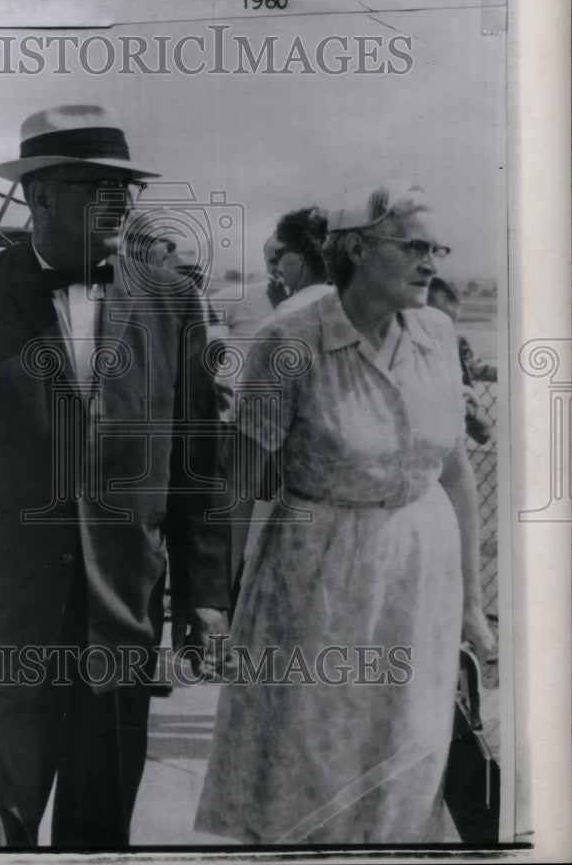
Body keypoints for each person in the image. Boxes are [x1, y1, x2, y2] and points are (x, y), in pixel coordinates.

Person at [0, 104, 231, 847]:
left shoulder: (172, 301)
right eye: (94, 188)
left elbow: (195, 466)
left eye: (126, 190)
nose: (119, 205)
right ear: (41, 195)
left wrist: (204, 597)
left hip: (120, 618)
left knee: (101, 829)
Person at [195, 181, 496, 844]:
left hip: (421, 585)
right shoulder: (289, 341)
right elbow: (239, 485)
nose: (430, 262)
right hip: (315, 591)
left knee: (408, 766)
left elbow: (451, 474)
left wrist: (472, 603)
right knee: (313, 773)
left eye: (434, 247)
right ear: (355, 249)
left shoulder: (438, 334)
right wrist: (213, 605)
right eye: (413, 245)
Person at [428, 277, 496, 445]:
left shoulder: (451, 362)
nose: (445, 335)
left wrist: (467, 410)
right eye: (436, 326)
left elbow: (483, 433)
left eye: (450, 327)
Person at [269, 206, 333, 320]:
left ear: (299, 258)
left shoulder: (289, 309)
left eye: (279, 254)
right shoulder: (342, 299)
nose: (278, 266)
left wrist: (281, 309)